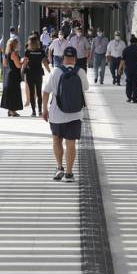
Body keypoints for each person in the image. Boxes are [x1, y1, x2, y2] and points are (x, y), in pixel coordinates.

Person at [42, 46, 89, 183]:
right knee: (71, 144)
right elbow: (86, 88)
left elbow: (46, 92)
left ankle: (59, 168)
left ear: (63, 58)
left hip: (57, 114)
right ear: (75, 58)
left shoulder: (56, 71)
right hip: (75, 114)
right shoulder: (80, 71)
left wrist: (44, 109)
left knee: (56, 140)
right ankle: (69, 173)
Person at [22, 34, 51, 117]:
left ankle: (33, 111)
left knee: (31, 92)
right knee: (39, 92)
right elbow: (45, 62)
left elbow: (25, 62)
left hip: (30, 73)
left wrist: (22, 70)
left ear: (30, 42)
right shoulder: (41, 51)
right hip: (38, 73)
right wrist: (50, 71)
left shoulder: (27, 51)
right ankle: (40, 111)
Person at [118, 36, 137, 103]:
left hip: (128, 70)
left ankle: (129, 97)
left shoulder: (125, 50)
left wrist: (120, 69)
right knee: (136, 84)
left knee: (129, 83)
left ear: (130, 42)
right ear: (136, 42)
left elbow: (122, 61)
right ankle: (134, 98)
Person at [0, 38, 24, 117]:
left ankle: (11, 110)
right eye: (18, 43)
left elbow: (5, 64)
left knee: (11, 92)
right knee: (14, 92)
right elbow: (18, 65)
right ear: (14, 45)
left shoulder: (7, 53)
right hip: (14, 75)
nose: (19, 45)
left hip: (9, 74)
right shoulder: (13, 54)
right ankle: (12, 111)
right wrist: (24, 62)